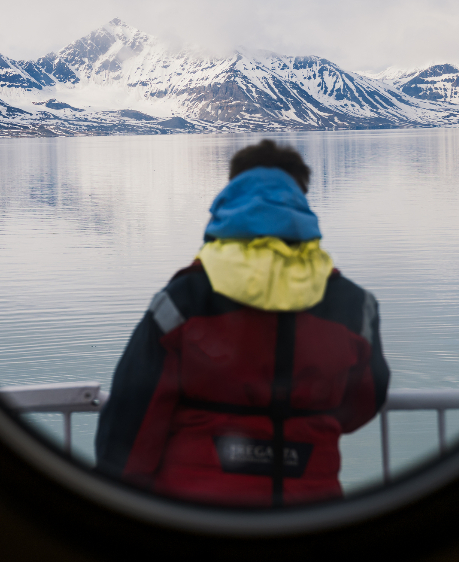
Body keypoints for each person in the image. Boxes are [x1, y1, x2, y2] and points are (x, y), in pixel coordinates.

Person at [95, 139, 389, 507]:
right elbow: (364, 400)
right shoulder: (353, 303)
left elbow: (133, 418)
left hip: (198, 513)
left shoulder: (186, 298)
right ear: (301, 198)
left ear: (232, 191)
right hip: (313, 510)